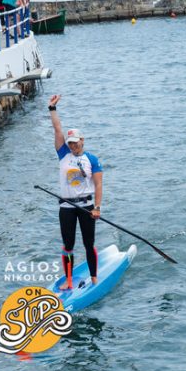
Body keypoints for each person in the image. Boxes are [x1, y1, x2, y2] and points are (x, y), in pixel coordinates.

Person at [48, 94, 103, 290]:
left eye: (75, 142)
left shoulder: (92, 159)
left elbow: (98, 186)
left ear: (82, 140)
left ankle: (95, 278)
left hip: (87, 207)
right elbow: (57, 129)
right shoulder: (63, 154)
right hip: (66, 207)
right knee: (68, 245)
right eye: (70, 142)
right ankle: (69, 281)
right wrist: (52, 109)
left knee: (89, 243)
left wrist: (97, 207)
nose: (72, 145)